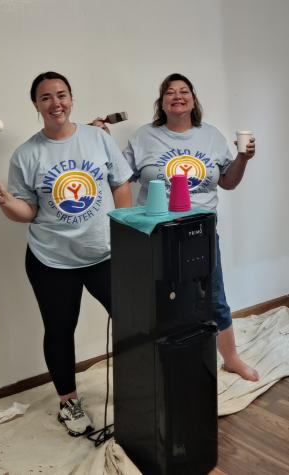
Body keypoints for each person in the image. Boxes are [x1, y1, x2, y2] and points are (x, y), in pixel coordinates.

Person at [0, 71, 133, 436]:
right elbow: (28, 212)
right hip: (51, 260)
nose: (56, 103)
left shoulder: (98, 138)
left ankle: (137, 389)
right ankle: (69, 403)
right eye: (46, 97)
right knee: (60, 330)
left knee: (133, 320)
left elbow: (121, 184)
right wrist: (4, 201)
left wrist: (126, 233)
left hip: (104, 253)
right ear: (36, 105)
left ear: (72, 99)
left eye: (62, 95)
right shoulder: (27, 154)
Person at [94, 72, 259, 381]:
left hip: (200, 232)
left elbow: (228, 181)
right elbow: (120, 176)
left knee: (214, 297)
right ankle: (159, 364)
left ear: (193, 100)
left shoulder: (210, 136)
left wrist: (243, 158)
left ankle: (231, 358)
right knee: (158, 303)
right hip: (155, 235)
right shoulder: (144, 136)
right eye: (170, 92)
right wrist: (101, 140)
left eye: (184, 91)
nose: (178, 96)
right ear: (162, 102)